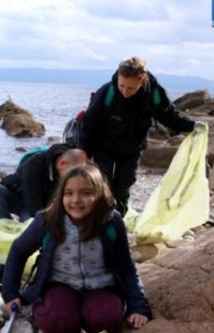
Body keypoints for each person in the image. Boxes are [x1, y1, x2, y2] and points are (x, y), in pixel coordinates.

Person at [1, 163, 152, 333]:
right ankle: (55, 310)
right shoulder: (47, 220)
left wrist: (138, 305)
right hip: (60, 284)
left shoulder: (111, 222)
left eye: (85, 193)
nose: (76, 200)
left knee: (108, 323)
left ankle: (87, 313)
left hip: (101, 286)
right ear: (61, 195)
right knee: (57, 324)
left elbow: (126, 267)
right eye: (69, 193)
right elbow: (18, 251)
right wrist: (10, 293)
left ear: (98, 194)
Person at [78, 56, 199, 216]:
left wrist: (192, 127)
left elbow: (168, 115)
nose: (125, 92)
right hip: (104, 145)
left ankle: (118, 218)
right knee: (103, 185)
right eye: (122, 86)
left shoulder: (153, 94)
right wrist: (83, 152)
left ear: (142, 81)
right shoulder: (106, 93)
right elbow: (89, 125)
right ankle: (101, 219)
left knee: (123, 186)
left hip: (132, 148)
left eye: (131, 88)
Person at [0, 143, 88, 222]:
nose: (72, 177)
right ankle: (6, 224)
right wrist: (36, 221)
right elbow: (31, 197)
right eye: (70, 172)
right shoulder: (34, 164)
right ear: (62, 164)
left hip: (45, 207)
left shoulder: (69, 170)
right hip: (23, 200)